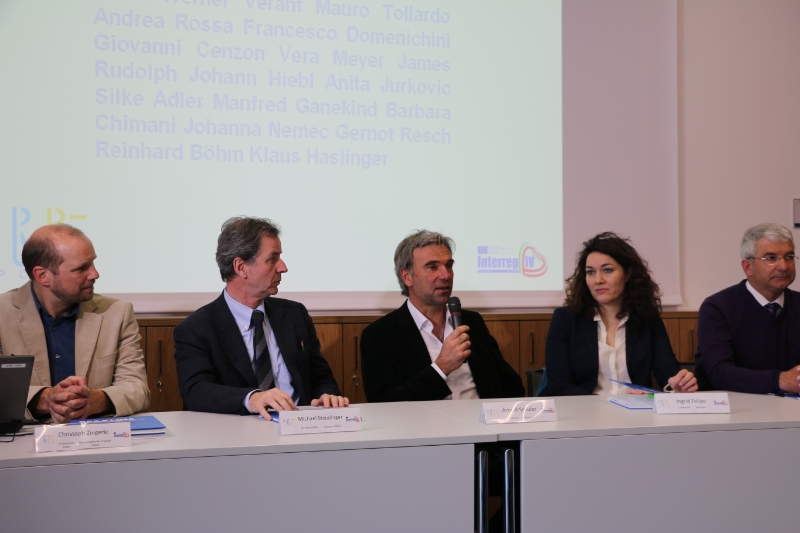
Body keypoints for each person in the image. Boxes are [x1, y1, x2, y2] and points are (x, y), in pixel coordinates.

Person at [173, 216, 347, 419]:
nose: (283, 267)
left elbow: (319, 375)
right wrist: (252, 399)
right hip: (237, 431)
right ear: (241, 267)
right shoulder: (196, 328)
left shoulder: (294, 314)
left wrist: (327, 395)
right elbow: (195, 390)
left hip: (301, 425)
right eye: (272, 259)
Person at [0, 224, 149, 422]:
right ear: (43, 276)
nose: (95, 274)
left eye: (93, 263)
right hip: (22, 437)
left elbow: (138, 389)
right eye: (81, 268)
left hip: (93, 435)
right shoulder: (3, 314)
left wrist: (95, 400)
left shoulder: (116, 313)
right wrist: (45, 399)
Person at [360, 230, 524, 402]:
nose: (446, 275)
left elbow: (510, 383)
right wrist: (441, 367)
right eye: (432, 267)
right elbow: (384, 402)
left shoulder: (472, 322)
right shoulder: (380, 335)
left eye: (449, 266)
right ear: (407, 277)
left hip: (481, 417)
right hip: (425, 420)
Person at [541, 232, 696, 396]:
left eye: (607, 270)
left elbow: (666, 370)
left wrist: (677, 384)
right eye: (590, 272)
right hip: (583, 409)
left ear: (628, 274)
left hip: (635, 408)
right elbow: (559, 384)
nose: (598, 280)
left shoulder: (647, 318)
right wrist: (608, 403)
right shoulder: (566, 319)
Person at [695, 223, 799, 393]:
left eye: (789, 256)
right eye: (771, 258)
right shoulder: (717, 307)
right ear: (748, 267)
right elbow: (720, 373)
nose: (784, 266)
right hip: (734, 405)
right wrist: (779, 380)